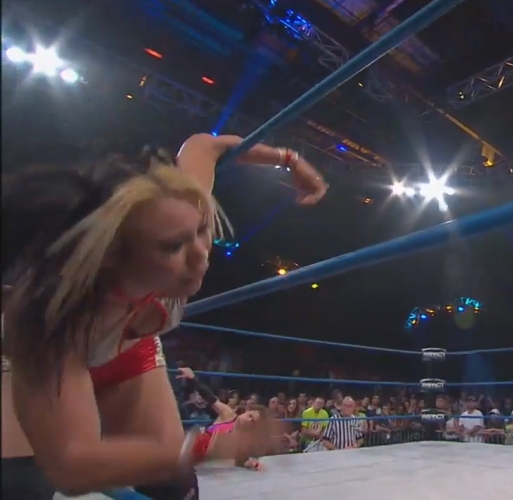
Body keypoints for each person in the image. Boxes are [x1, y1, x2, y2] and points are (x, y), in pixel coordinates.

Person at [1, 135, 326, 498]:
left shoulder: (174, 212)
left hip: (131, 348)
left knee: (173, 483)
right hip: (50, 356)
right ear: (115, 257)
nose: (200, 254)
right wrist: (212, 446)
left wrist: (289, 158)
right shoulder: (50, 318)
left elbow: (205, 146)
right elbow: (70, 466)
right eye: (173, 247)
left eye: (200, 231)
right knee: (21, 483)